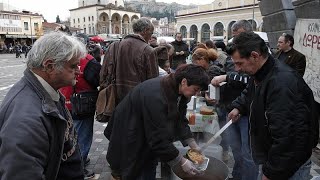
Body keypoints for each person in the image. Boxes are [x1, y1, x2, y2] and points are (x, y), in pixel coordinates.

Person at [227, 32, 318, 180]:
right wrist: (239, 106)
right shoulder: (261, 72)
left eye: (239, 63)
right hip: (271, 155)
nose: (237, 69)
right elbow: (251, 91)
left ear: (255, 56)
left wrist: (271, 173)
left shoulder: (282, 84)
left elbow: (290, 138)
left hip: (289, 165)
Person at [0, 32, 86, 179]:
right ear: (50, 66)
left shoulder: (48, 92)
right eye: (73, 66)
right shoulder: (26, 119)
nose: (79, 71)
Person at [104, 64, 210, 179]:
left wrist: (193, 144)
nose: (197, 94)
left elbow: (180, 120)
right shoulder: (156, 96)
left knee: (149, 166)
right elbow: (157, 138)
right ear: (184, 81)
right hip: (129, 133)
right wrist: (181, 161)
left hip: (147, 136)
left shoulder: (179, 92)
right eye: (196, 89)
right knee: (130, 171)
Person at [210, 19, 259, 179]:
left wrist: (227, 76)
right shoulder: (235, 50)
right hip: (232, 107)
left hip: (248, 113)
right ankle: (237, 176)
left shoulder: (257, 52)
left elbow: (249, 81)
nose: (234, 39)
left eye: (237, 35)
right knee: (236, 150)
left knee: (248, 153)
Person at [59, 33, 100, 179]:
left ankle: (77, 159)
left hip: (65, 101)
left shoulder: (62, 58)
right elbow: (96, 80)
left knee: (70, 134)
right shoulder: (88, 60)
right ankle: (79, 165)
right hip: (82, 104)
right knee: (83, 135)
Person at [99, 17, 158, 104]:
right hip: (137, 102)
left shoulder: (114, 46)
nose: (150, 38)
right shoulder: (148, 50)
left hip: (114, 101)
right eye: (151, 33)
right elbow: (153, 82)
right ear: (145, 30)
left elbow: (103, 74)